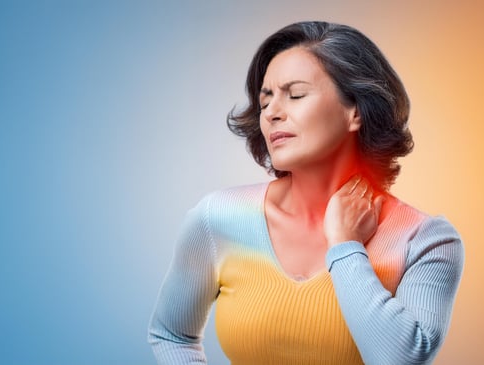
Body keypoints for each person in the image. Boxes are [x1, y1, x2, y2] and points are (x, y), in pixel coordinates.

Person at [148, 21, 464, 365]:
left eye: (295, 95)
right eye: (265, 101)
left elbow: (400, 360)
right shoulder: (218, 218)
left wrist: (345, 247)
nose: (271, 113)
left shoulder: (424, 240)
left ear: (355, 110)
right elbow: (171, 335)